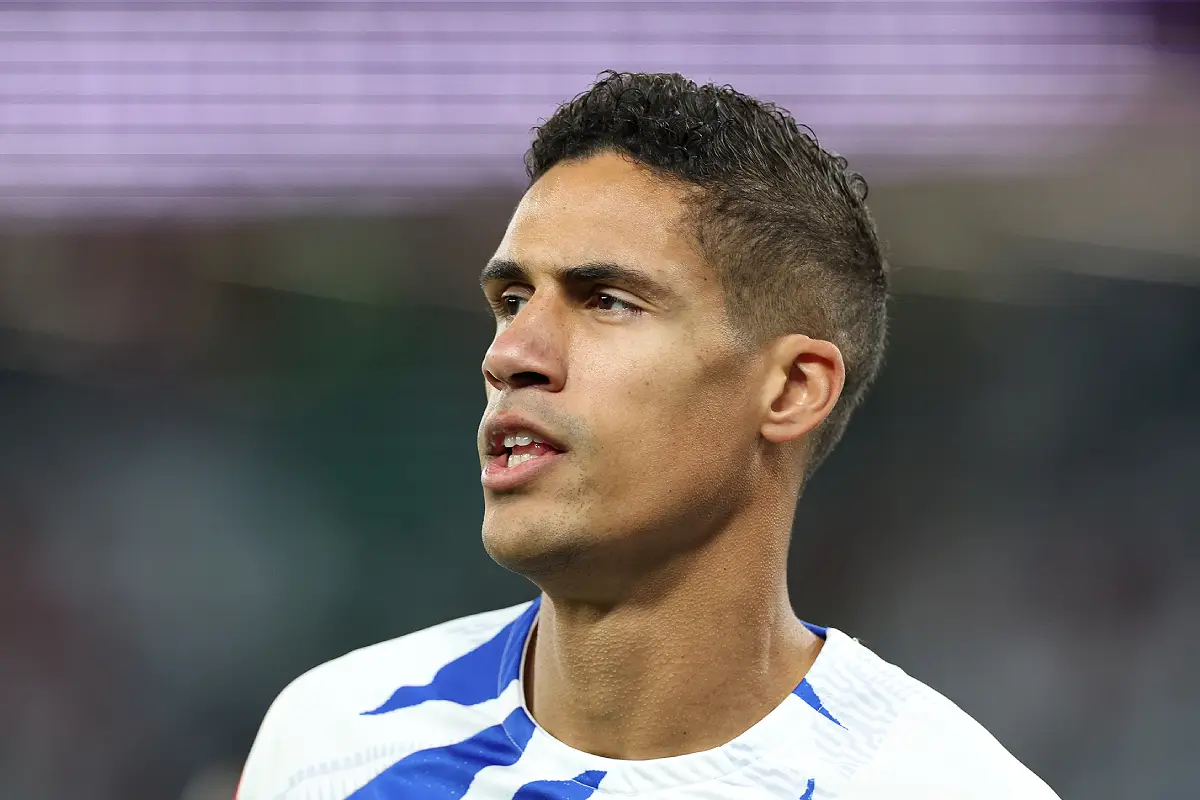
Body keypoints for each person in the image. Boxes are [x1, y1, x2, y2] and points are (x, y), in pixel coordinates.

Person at [237, 72, 1060, 799]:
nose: (509, 355)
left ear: (792, 389)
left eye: (608, 302)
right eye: (514, 299)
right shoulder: (328, 745)